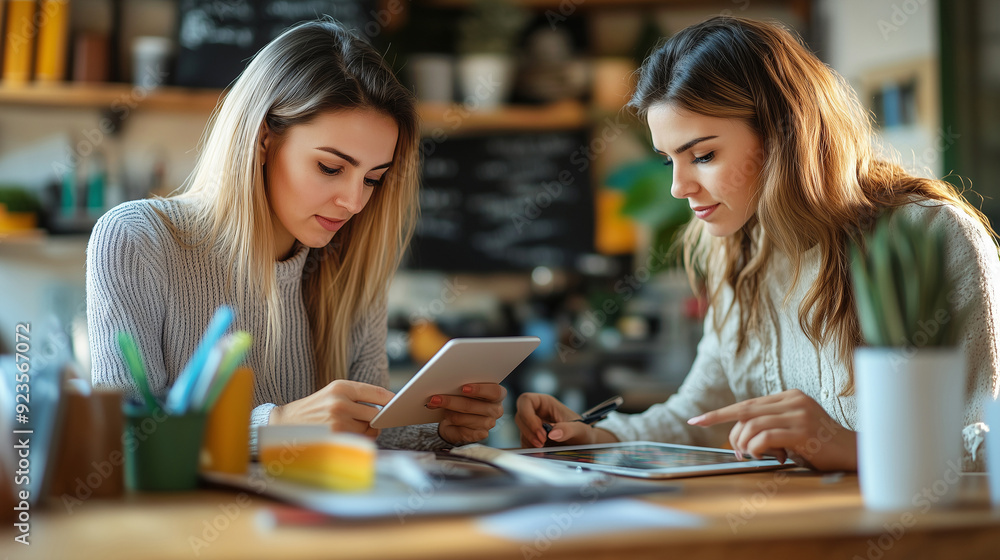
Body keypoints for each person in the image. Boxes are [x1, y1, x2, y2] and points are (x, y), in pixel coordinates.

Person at [516, 16, 1000, 471]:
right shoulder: (737, 249)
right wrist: (594, 436)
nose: (678, 187)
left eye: (702, 155)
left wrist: (847, 446)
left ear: (785, 135)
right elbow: (701, 414)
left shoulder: (931, 237)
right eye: (669, 161)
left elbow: (987, 446)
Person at [88, 20, 505, 450]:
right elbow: (122, 443)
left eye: (373, 179)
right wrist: (278, 425)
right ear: (264, 138)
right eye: (330, 168)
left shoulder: (349, 265)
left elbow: (364, 434)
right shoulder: (136, 239)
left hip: (315, 518)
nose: (355, 202)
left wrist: (439, 427)